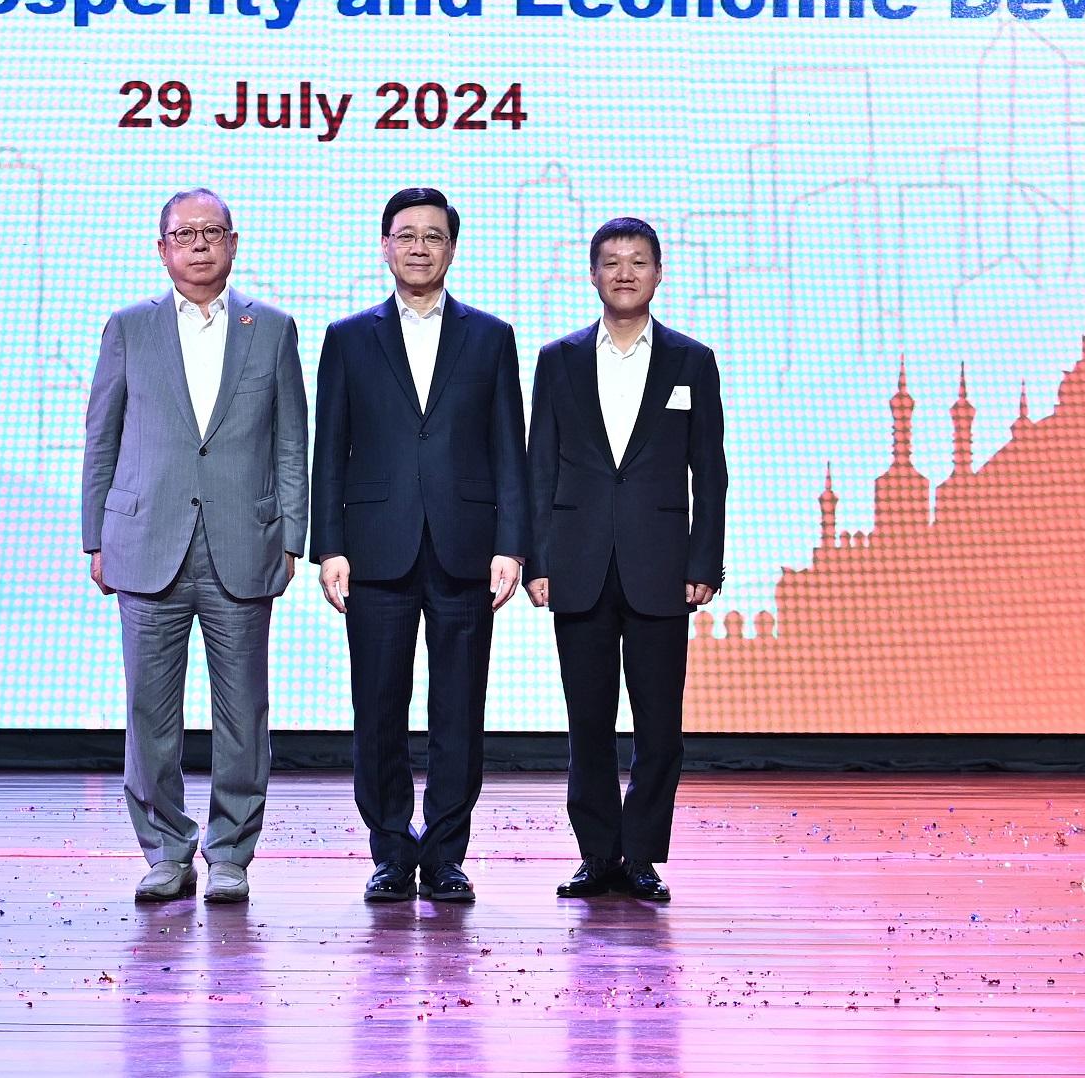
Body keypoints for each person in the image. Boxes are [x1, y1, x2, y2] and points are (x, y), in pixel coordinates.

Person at [81, 189, 308, 906]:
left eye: (213, 232)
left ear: (234, 243)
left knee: (243, 712)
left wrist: (293, 536)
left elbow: (290, 442)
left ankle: (231, 852)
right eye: (185, 233)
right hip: (146, 540)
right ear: (162, 248)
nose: (200, 244)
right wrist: (95, 535)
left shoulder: (270, 328)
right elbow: (101, 437)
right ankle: (164, 850)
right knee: (151, 713)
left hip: (244, 543)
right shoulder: (128, 327)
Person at [308, 187, 527, 907]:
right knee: (377, 709)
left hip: (466, 548)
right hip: (373, 548)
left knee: (458, 709)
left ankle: (447, 856)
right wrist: (327, 546)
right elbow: (328, 451)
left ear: (452, 249)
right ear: (384, 247)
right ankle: (390, 852)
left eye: (434, 236)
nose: (420, 247)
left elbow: (508, 450)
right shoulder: (347, 337)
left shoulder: (491, 337)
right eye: (406, 235)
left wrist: (511, 544)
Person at [524, 216, 725, 905]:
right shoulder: (558, 359)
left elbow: (711, 472)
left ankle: (640, 857)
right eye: (610, 262)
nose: (624, 272)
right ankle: (595, 856)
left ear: (659, 273)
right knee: (587, 724)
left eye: (638, 261)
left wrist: (705, 560)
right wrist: (536, 561)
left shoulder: (690, 361)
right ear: (592, 275)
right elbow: (538, 468)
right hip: (576, 563)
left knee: (658, 724)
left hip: (661, 565)